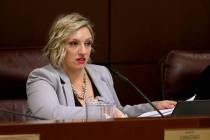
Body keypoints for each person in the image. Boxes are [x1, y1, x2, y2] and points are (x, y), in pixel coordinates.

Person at [26, 13, 176, 120]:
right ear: (58, 46)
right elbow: (51, 113)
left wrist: (153, 107)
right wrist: (104, 112)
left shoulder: (101, 73)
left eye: (88, 43)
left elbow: (118, 112)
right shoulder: (42, 77)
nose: (83, 51)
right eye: (74, 44)